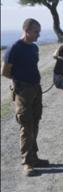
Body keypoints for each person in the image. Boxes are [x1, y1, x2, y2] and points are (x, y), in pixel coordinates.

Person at [1, 18, 49, 176]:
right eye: (36, 31)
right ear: (26, 30)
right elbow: (5, 71)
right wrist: (20, 84)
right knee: (26, 125)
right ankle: (27, 163)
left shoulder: (34, 48)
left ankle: (34, 157)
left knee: (35, 123)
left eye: (39, 31)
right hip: (23, 91)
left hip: (36, 89)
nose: (38, 35)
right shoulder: (14, 48)